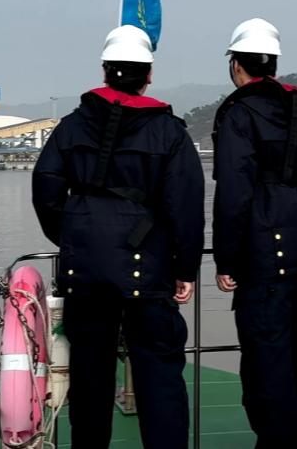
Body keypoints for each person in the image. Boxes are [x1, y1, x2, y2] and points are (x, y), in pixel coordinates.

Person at [33, 24, 205, 449]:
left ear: (105, 71)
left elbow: (45, 192)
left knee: (90, 376)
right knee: (160, 376)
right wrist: (185, 268)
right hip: (150, 270)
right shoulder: (169, 131)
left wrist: (74, 239)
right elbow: (185, 204)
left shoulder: (70, 127)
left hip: (85, 270)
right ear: (149, 75)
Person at [212, 17, 297, 448]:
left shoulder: (239, 114)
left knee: (267, 363)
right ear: (274, 64)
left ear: (236, 65)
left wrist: (226, 260)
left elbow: (233, 192)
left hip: (263, 257)